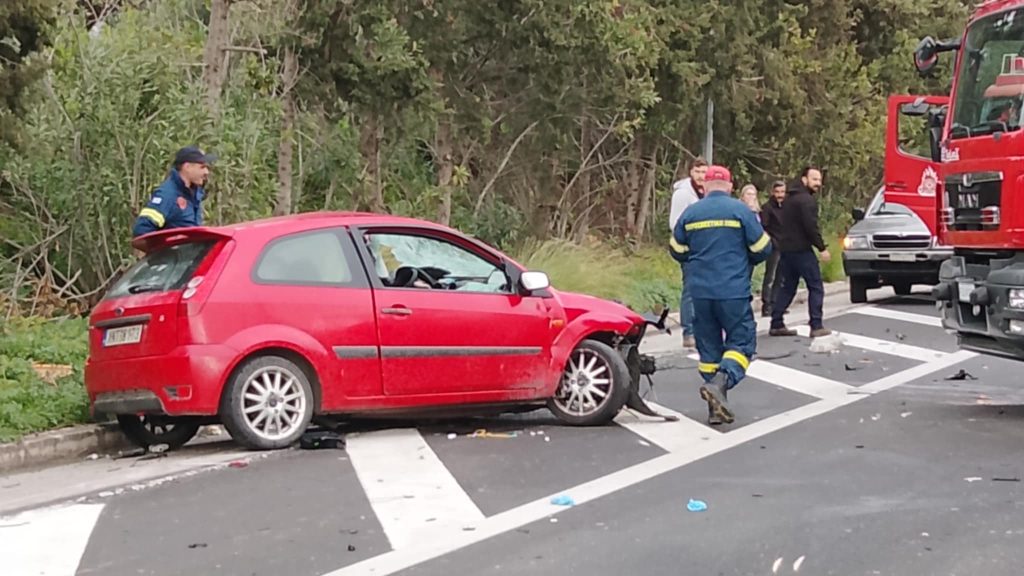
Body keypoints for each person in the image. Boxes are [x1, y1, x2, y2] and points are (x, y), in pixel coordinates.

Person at [669, 165, 772, 425]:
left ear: (705, 187)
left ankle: (715, 408)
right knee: (741, 342)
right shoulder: (740, 211)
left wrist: (696, 259)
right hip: (732, 291)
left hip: (700, 293)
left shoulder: (691, 213)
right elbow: (763, 247)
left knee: (709, 349)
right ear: (729, 186)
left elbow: (676, 249)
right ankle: (721, 382)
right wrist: (744, 258)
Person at [769, 167, 832, 338]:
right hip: (802, 251)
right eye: (814, 179)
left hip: (786, 250)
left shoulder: (789, 199)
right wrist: (822, 248)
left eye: (819, 180)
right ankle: (816, 325)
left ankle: (776, 322)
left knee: (788, 287)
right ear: (804, 180)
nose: (818, 183)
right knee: (816, 286)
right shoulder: (806, 201)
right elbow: (810, 227)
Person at [132, 146, 216, 238]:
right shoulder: (167, 195)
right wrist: (170, 243)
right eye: (202, 167)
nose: (206, 172)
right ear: (187, 167)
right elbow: (142, 230)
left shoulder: (194, 194)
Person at [668, 157, 708, 350]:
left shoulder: (706, 193)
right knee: (690, 289)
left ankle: (702, 329)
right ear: (691, 172)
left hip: (706, 248)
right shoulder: (683, 194)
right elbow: (675, 223)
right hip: (689, 248)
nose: (701, 176)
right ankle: (688, 332)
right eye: (697, 172)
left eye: (704, 172)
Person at [759, 181, 787, 317]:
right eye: (777, 192)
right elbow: (764, 227)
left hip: (786, 245)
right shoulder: (767, 208)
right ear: (772, 192)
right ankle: (767, 305)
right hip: (773, 246)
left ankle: (776, 303)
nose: (780, 195)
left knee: (781, 276)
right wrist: (771, 241)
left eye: (782, 192)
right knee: (770, 275)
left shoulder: (788, 207)